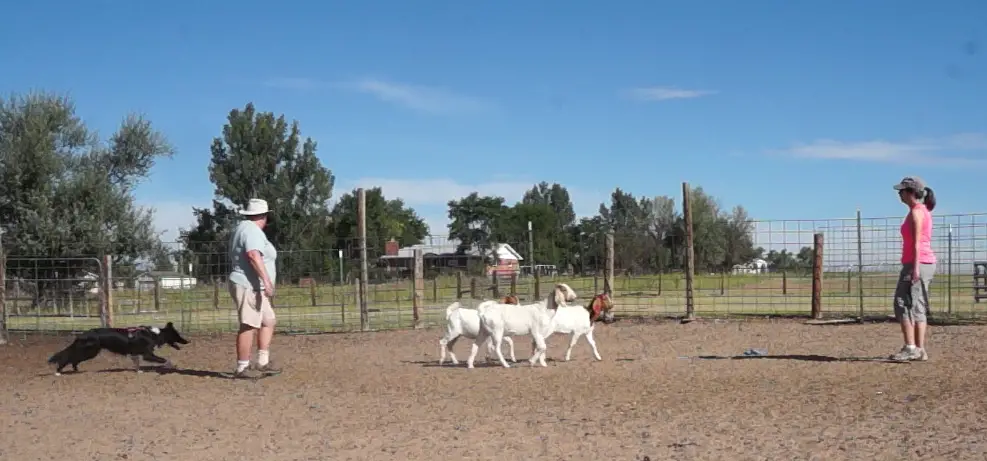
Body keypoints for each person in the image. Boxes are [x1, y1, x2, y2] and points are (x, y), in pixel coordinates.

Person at [227, 198, 282, 377]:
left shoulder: (243, 228)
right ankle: (243, 367)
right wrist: (266, 281)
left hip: (253, 285)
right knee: (249, 324)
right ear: (264, 216)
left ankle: (262, 362)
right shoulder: (252, 231)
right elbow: (253, 255)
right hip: (249, 285)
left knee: (268, 320)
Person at [890, 176, 937, 362]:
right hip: (925, 262)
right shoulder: (923, 210)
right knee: (918, 305)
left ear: (910, 192)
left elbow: (917, 242)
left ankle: (910, 347)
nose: (899, 194)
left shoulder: (917, 212)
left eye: (901, 191)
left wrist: (914, 269)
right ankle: (920, 349)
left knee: (902, 303)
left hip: (917, 262)